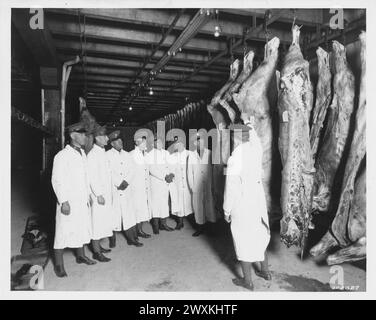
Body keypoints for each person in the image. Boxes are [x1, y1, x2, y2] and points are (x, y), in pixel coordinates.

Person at [223, 123, 272, 291]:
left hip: (242, 202)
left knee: (243, 239)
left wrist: (226, 210)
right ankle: (265, 272)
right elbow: (255, 138)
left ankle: (248, 281)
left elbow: (231, 187)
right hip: (258, 200)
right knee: (259, 235)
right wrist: (250, 125)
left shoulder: (236, 156)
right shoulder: (256, 150)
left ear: (236, 137)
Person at [51, 122, 96, 278]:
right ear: (72, 135)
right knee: (62, 233)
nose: (85, 137)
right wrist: (63, 201)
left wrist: (89, 194)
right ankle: (59, 265)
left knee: (82, 229)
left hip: (82, 199)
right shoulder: (62, 156)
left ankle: (81, 256)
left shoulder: (82, 153)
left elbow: (86, 177)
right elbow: (57, 180)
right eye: (82, 134)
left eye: (85, 134)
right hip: (69, 201)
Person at [106, 130, 142, 247]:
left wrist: (126, 181)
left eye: (121, 140)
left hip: (126, 189)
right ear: (112, 144)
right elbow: (108, 171)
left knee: (128, 214)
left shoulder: (127, 155)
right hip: (114, 189)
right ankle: (112, 239)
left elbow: (133, 169)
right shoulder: (107, 155)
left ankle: (132, 238)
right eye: (117, 141)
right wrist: (118, 182)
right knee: (113, 215)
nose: (120, 142)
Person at [86, 125, 113, 262]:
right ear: (97, 138)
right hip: (98, 195)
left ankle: (98, 248)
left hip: (105, 193)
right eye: (105, 136)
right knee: (96, 223)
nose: (107, 138)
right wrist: (99, 194)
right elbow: (92, 177)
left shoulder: (101, 152)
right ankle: (96, 252)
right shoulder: (92, 155)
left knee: (102, 221)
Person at [187, 133, 217, 237]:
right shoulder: (191, 155)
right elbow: (189, 172)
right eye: (198, 140)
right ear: (195, 143)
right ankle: (200, 228)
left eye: (202, 140)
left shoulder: (209, 153)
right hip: (197, 185)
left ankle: (212, 228)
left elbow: (213, 170)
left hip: (208, 184)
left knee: (210, 205)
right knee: (198, 206)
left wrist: (213, 184)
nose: (201, 142)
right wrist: (192, 186)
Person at [146, 138, 175, 234]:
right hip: (156, 182)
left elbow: (171, 165)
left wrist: (171, 174)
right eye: (157, 142)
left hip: (165, 183)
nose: (159, 143)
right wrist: (164, 177)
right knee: (155, 204)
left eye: (160, 141)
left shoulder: (166, 153)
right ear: (153, 144)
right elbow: (151, 169)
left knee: (164, 203)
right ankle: (156, 226)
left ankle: (163, 224)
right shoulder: (150, 154)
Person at [130, 132, 152, 238]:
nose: (145, 144)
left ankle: (140, 230)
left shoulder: (146, 155)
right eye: (143, 142)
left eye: (145, 142)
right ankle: (136, 232)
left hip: (145, 187)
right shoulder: (131, 155)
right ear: (136, 142)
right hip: (136, 188)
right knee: (136, 210)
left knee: (143, 209)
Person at [168, 140, 193, 230]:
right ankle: (180, 222)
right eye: (176, 144)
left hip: (188, 182)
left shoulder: (190, 154)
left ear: (183, 144)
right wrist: (171, 175)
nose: (177, 146)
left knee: (190, 202)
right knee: (178, 202)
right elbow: (170, 169)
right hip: (177, 182)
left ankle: (194, 222)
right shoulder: (172, 156)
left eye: (179, 144)